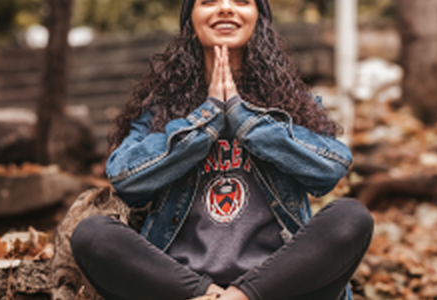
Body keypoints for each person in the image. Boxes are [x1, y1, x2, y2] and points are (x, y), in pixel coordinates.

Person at [70, 0, 374, 299]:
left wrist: (245, 120)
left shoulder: (293, 104)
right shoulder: (159, 111)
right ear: (191, 24)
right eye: (209, 0)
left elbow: (332, 167)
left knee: (351, 217)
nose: (226, 7)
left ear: (259, 23)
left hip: (279, 286)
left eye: (242, 0)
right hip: (182, 287)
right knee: (92, 234)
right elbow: (124, 178)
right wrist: (207, 118)